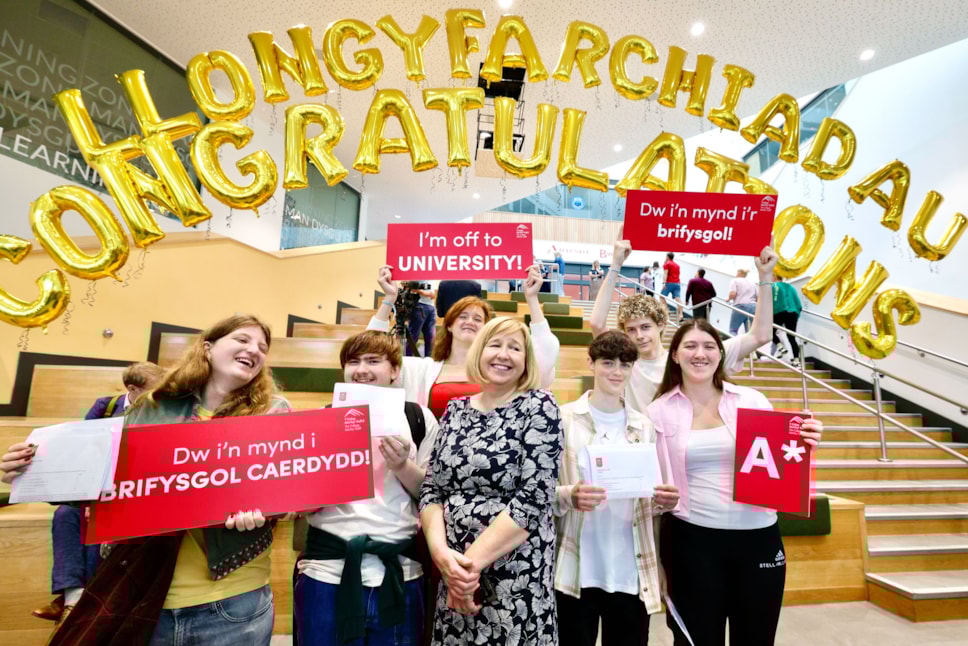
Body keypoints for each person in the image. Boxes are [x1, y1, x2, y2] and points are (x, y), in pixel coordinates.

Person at [3, 314, 292, 645]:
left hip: (234, 599)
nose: (254, 350)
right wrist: (30, 472)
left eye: (262, 347)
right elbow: (103, 479)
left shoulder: (274, 411)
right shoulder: (152, 406)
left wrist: (266, 512)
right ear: (208, 348)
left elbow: (282, 493)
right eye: (242, 339)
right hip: (146, 590)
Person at [648, 319, 823, 645]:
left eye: (709, 346)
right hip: (692, 542)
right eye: (690, 345)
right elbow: (654, 494)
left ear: (720, 354)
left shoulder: (752, 400)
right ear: (674, 355)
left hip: (759, 540)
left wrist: (806, 442)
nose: (700, 353)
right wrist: (657, 558)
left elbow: (782, 462)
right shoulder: (657, 412)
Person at [419, 317, 563, 646]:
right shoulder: (454, 411)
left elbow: (534, 498)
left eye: (515, 348)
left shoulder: (539, 406)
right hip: (452, 569)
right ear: (479, 352)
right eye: (495, 345)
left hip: (515, 574)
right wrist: (442, 556)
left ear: (526, 361)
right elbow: (431, 491)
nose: (503, 354)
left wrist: (467, 569)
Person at [295, 331, 440, 646]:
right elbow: (301, 505)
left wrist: (402, 465)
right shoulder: (321, 419)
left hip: (399, 572)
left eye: (373, 361)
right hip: (327, 572)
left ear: (394, 371)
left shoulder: (418, 418)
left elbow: (431, 496)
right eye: (353, 362)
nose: (361, 369)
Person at [553, 332, 679, 646]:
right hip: (575, 567)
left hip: (630, 568)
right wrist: (571, 494)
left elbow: (649, 502)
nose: (616, 371)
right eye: (608, 363)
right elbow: (542, 495)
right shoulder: (562, 419)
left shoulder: (644, 425)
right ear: (590, 363)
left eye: (624, 364)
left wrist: (662, 500)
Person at [34, 361, 166, 628]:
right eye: (152, 391)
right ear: (132, 389)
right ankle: (72, 597)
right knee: (65, 513)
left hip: (138, 486)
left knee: (101, 518)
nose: (158, 397)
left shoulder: (165, 410)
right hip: (99, 479)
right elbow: (80, 443)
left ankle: (90, 601)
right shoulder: (105, 406)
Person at [591, 232, 777, 415]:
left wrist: (765, 276)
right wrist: (616, 264)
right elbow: (598, 324)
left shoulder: (689, 356)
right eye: (631, 330)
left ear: (662, 324)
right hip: (643, 442)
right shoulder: (624, 363)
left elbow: (760, 335)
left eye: (645, 327)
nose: (639, 336)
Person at [369, 265, 560, 418]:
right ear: (450, 325)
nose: (470, 322)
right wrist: (389, 298)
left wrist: (532, 298)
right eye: (463, 316)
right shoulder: (421, 370)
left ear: (485, 329)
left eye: (478, 319)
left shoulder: (502, 370)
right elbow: (371, 353)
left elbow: (544, 355)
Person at [772, 274, 804, 367]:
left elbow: (773, 300)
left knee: (770, 331)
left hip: (780, 311)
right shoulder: (791, 287)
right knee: (791, 337)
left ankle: (780, 346)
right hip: (793, 313)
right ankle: (796, 360)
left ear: (775, 277)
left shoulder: (774, 286)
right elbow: (798, 303)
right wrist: (796, 313)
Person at [406, 281, 438, 358]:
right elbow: (408, 287)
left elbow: (433, 295)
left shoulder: (431, 276)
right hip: (419, 305)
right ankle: (408, 357)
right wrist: (422, 292)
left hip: (431, 306)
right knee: (414, 335)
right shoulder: (416, 275)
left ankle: (428, 358)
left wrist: (427, 294)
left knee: (430, 336)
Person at [727, 268, 757, 336]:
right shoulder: (752, 283)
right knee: (749, 332)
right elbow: (757, 298)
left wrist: (728, 299)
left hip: (740, 306)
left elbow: (733, 294)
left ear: (739, 273)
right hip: (753, 307)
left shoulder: (735, 280)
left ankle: (733, 346)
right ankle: (750, 346)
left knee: (733, 330)